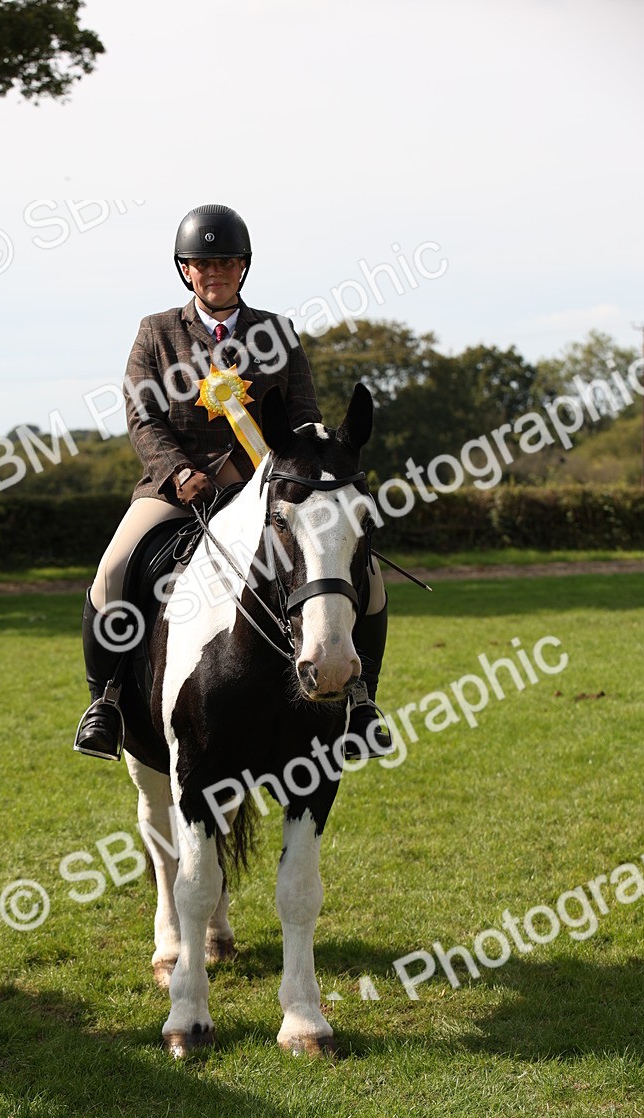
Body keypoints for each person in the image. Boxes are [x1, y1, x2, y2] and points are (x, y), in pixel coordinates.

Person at [73, 204, 391, 762]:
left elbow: (303, 416)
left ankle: (361, 702)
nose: (214, 272)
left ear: (243, 268)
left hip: (267, 493)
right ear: (185, 271)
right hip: (178, 492)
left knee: (366, 575)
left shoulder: (276, 333)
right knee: (112, 573)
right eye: (203, 264)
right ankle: (108, 702)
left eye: (226, 262)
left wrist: (298, 474)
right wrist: (177, 471)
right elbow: (143, 416)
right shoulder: (157, 333)